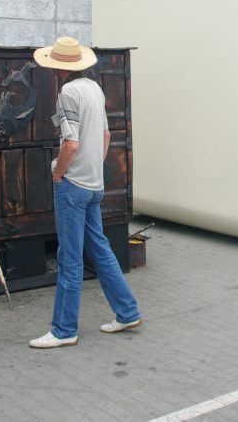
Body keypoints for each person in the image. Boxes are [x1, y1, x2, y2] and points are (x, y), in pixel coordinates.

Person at [29, 37, 141, 349]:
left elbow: (71, 142)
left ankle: (64, 330)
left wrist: (58, 172)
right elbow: (105, 135)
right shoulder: (95, 88)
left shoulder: (67, 92)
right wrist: (94, 166)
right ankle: (127, 311)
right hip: (94, 183)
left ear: (56, 69)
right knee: (101, 249)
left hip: (73, 186)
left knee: (70, 258)